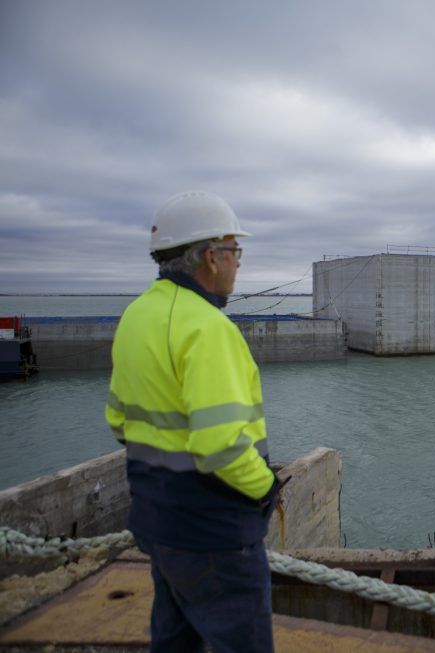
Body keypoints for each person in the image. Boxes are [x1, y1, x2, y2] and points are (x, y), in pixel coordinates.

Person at [105, 190, 281, 653]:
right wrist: (265, 488)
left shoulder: (136, 316)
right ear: (210, 256)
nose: (239, 263)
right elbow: (220, 446)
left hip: (157, 520)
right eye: (234, 251)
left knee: (173, 639)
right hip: (213, 532)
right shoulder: (208, 329)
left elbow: (119, 422)